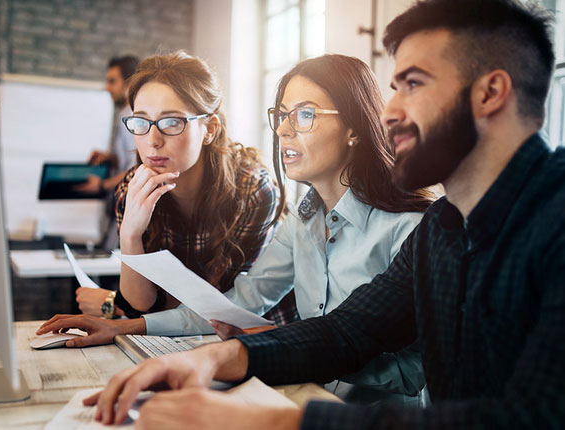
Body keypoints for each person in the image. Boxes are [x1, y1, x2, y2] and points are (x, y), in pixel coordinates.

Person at [81, 0, 565, 429]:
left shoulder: (554, 220)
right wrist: (216, 358)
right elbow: (347, 331)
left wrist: (281, 422)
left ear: (490, 92)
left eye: (413, 84)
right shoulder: (443, 227)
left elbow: (532, 417)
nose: (390, 110)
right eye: (394, 86)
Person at [38, 52, 293, 330]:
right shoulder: (132, 187)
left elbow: (219, 306)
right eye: (141, 122)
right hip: (177, 338)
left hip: (258, 339)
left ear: (209, 129)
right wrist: (130, 235)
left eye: (172, 122)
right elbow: (141, 302)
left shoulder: (252, 189)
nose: (152, 141)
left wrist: (112, 303)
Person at [74, 55, 140, 315]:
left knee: (118, 284)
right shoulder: (123, 114)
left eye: (111, 81)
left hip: (125, 210)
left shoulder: (133, 116)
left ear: (128, 82)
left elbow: (137, 168)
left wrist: (101, 184)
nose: (107, 88)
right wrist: (109, 158)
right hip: (116, 210)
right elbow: (127, 159)